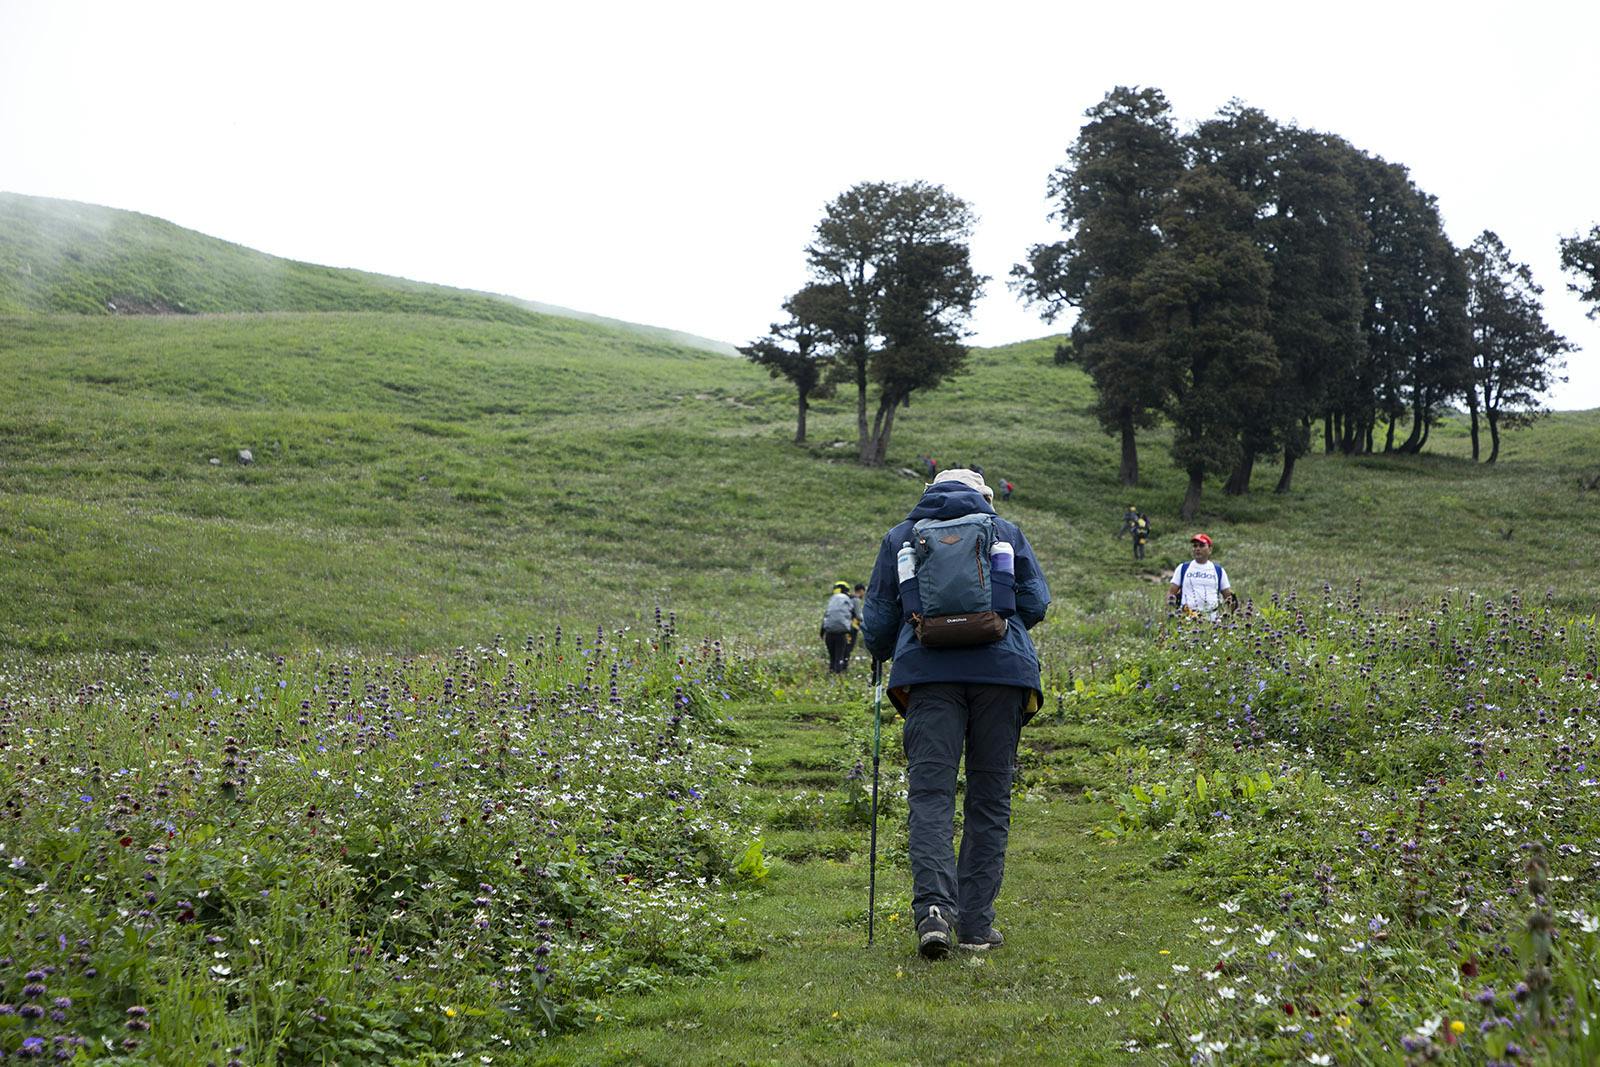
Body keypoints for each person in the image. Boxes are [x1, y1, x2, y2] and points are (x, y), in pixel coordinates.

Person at [862, 468, 1052, 959]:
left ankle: (933, 914)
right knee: (989, 798)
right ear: (982, 496)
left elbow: (879, 621)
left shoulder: (901, 536)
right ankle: (974, 926)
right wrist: (989, 624)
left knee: (931, 795)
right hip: (1002, 674)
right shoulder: (1005, 532)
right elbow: (1035, 601)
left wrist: (897, 643)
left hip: (928, 676)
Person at [1167, 533, 1238, 619]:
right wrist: (1170, 613)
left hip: (1213, 621)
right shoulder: (1183, 568)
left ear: (1210, 549)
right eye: (1195, 546)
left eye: (1201, 546)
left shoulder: (1218, 570)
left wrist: (1230, 617)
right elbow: (1171, 593)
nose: (1197, 549)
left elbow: (1228, 596)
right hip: (1186, 618)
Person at [820, 581, 858, 673]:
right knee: (839, 656)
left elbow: (826, 615)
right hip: (841, 633)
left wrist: (822, 632)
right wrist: (852, 632)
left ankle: (831, 672)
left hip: (829, 632)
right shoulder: (849, 600)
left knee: (832, 657)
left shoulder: (832, 600)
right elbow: (854, 616)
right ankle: (838, 675)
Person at [844, 583, 867, 662]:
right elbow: (858, 615)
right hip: (852, 627)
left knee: (845, 646)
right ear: (861, 591)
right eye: (864, 592)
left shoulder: (849, 598)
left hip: (845, 626)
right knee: (849, 647)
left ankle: (841, 665)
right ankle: (844, 666)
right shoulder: (856, 599)